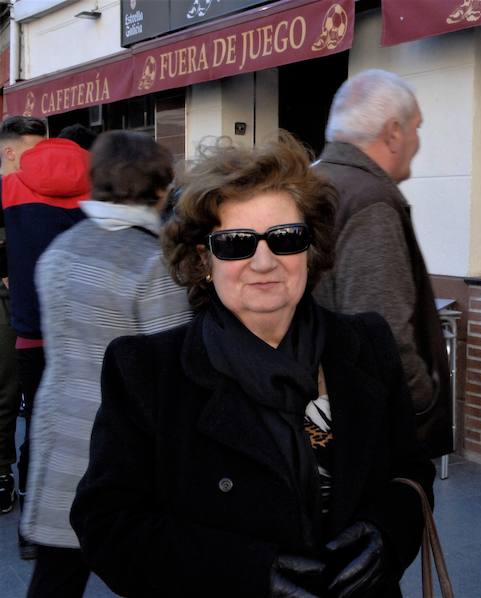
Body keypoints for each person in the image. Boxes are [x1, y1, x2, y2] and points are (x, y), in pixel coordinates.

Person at [70, 133, 434, 597]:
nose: (264, 262)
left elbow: (409, 469)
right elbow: (106, 524)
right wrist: (244, 573)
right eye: (237, 243)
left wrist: (388, 532)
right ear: (204, 259)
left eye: (285, 238)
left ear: (309, 248)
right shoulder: (147, 370)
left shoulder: (366, 343)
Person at [22, 131, 193, 597]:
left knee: (57, 576)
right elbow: (171, 375)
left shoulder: (58, 252)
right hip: (128, 449)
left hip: (60, 435)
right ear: (161, 189)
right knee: (153, 574)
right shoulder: (154, 264)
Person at [314, 69, 452, 459]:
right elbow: (382, 334)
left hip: (324, 420)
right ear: (393, 132)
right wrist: (423, 402)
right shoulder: (370, 202)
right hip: (371, 432)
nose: (417, 142)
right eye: (416, 128)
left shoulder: (313, 184)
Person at [2, 123, 89, 558]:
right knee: (95, 428)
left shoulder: (10, 188)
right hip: (90, 332)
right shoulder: (97, 188)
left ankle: (34, 532)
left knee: (40, 424)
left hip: (33, 334)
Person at [0, 116, 46, 517]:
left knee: (16, 394)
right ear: (11, 151)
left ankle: (13, 478)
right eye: (35, 152)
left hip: (24, 311)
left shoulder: (38, 193)